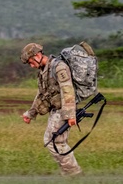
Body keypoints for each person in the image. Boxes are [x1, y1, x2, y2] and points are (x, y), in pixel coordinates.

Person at [20, 42, 82, 176]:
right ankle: (70, 172)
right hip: (55, 110)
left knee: (56, 142)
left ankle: (74, 174)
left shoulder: (59, 67)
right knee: (52, 142)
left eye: (31, 62)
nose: (31, 66)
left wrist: (71, 115)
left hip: (63, 110)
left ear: (37, 55)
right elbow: (41, 94)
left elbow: (68, 91)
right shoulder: (44, 70)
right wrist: (31, 113)